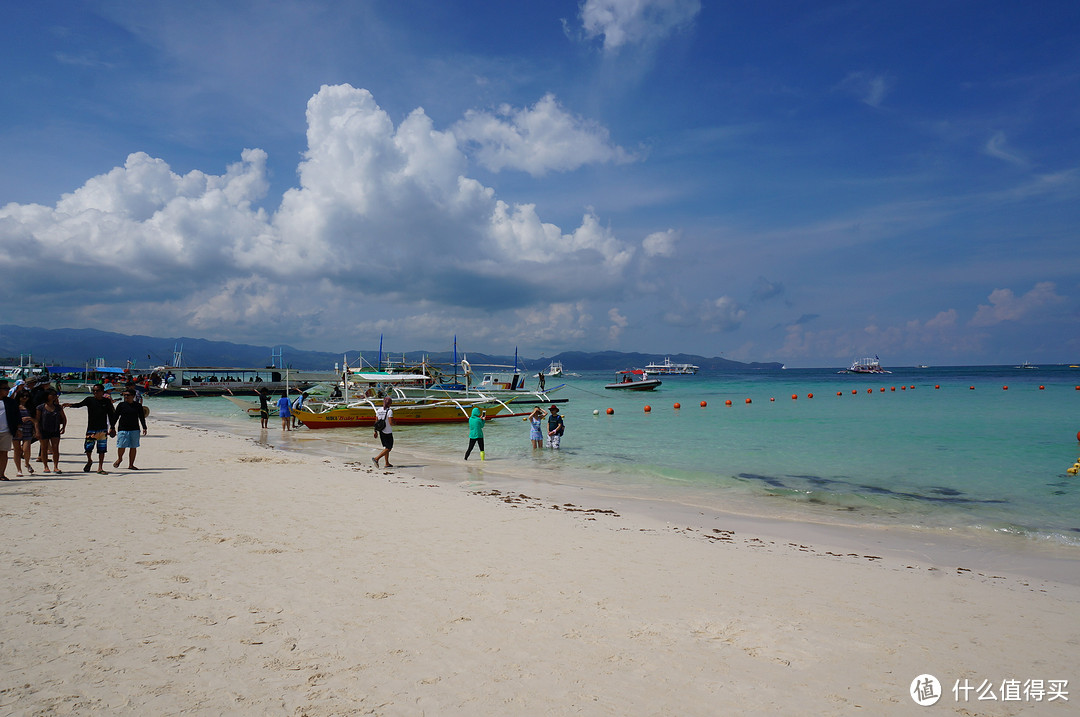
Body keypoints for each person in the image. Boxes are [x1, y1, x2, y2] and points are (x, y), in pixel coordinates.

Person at [63, 384, 116, 474]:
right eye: (94, 391)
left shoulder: (107, 402)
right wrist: (69, 405)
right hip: (91, 428)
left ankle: (100, 467)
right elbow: (79, 405)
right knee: (88, 448)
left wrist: (113, 427)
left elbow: (111, 415)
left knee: (102, 449)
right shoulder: (89, 400)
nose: (95, 392)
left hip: (102, 429)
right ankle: (89, 460)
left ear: (102, 392)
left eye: (97, 391)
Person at [112, 389, 148, 469]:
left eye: (127, 395)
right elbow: (116, 416)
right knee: (121, 446)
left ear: (133, 396)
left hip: (135, 429)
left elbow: (141, 417)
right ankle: (120, 459)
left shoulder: (138, 406)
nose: (126, 396)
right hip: (123, 428)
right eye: (124, 395)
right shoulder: (121, 405)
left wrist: (144, 427)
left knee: (133, 446)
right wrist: (112, 427)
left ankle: (131, 464)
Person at [12, 391, 39, 477]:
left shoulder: (31, 407)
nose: (25, 397)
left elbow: (36, 420)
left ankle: (27, 463)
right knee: (17, 450)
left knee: (26, 449)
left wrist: (29, 419)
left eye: (27, 396)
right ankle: (19, 470)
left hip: (28, 430)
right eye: (22, 396)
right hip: (16, 430)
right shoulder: (14, 407)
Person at [0, 380, 21, 480]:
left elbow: (17, 416)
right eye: (5, 388)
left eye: (8, 388)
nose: (8, 390)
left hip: (6, 431)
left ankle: (1, 474)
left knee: (4, 453)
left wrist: (19, 429)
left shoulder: (11, 402)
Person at [372, 396, 394, 468]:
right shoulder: (389, 411)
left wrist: (375, 431)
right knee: (389, 448)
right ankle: (376, 458)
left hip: (381, 431)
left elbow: (376, 422)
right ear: (390, 403)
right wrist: (395, 423)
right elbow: (391, 423)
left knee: (386, 448)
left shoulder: (379, 410)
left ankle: (387, 463)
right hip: (388, 432)